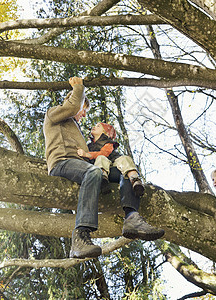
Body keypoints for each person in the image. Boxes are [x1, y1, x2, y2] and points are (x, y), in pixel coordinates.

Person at [43, 76, 165, 259]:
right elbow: (73, 106)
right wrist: (78, 87)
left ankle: (132, 218)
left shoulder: (76, 129)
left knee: (124, 172)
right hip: (63, 162)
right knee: (93, 171)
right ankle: (80, 235)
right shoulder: (54, 114)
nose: (83, 115)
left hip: (82, 166)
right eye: (84, 110)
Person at [77, 122, 145, 197]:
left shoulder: (108, 143)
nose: (94, 127)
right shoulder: (89, 146)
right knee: (100, 159)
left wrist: (87, 154)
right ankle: (103, 179)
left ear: (105, 132)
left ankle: (135, 180)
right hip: (101, 166)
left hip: (114, 163)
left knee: (125, 159)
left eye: (98, 126)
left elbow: (105, 153)